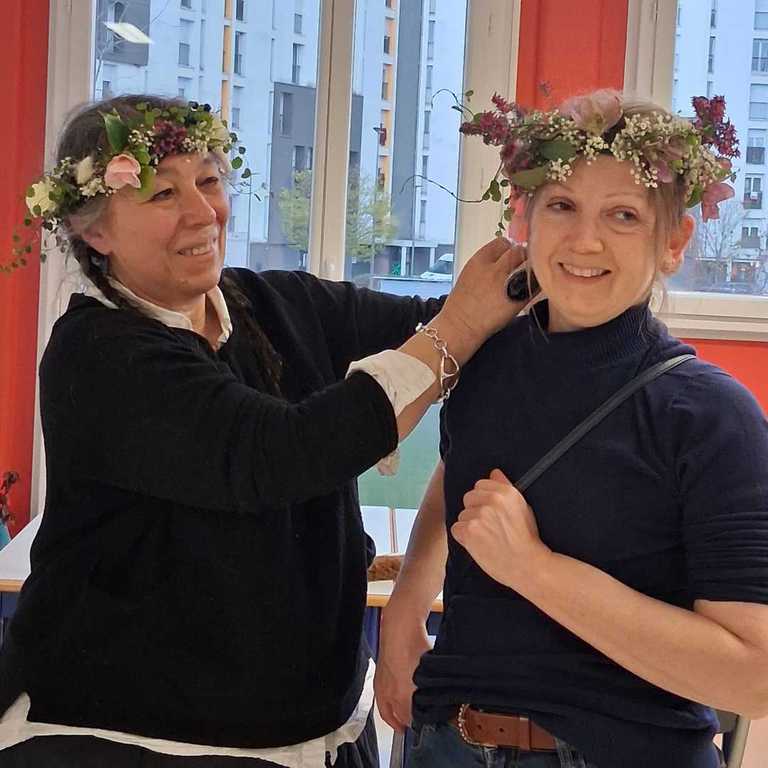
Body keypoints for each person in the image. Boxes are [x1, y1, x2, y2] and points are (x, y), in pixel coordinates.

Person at [0, 95, 527, 767]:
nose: (203, 212)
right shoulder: (98, 354)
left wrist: (549, 268)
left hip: (318, 723)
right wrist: (457, 330)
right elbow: (278, 455)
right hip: (138, 738)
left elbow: (439, 322)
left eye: (209, 180)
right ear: (94, 231)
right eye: (163, 193)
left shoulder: (268, 303)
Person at [374, 90, 768, 768]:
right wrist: (407, 605)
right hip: (446, 742)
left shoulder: (711, 416)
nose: (585, 240)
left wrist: (535, 570)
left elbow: (751, 678)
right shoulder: (484, 361)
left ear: (673, 242)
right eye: (562, 205)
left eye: (623, 215)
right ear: (526, 217)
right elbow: (462, 471)